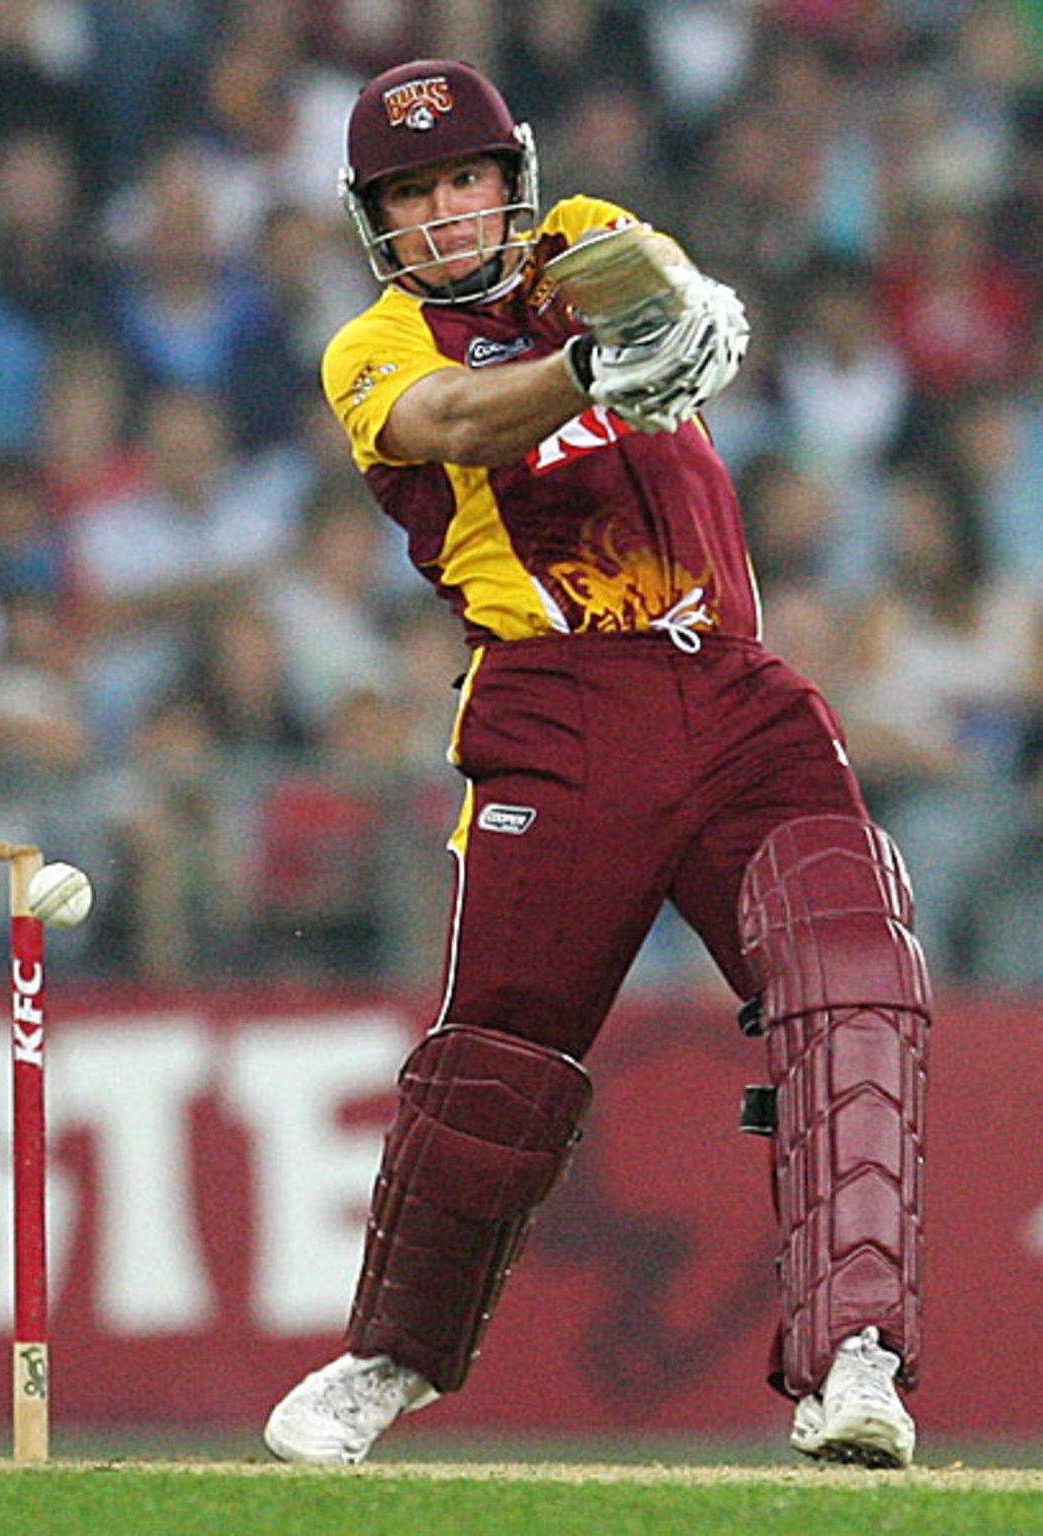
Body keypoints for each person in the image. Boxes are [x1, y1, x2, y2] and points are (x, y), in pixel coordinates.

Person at [263, 59, 930, 1470]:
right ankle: (386, 1364)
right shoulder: (373, 346)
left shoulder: (581, 244)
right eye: (410, 194)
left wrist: (684, 318)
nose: (445, 215)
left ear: (514, 179)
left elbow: (653, 284)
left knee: (858, 976)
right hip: (557, 699)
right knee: (501, 1057)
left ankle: (856, 1359)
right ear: (371, 218)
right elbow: (454, 423)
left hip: (734, 683)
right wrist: (585, 371)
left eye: (465, 181)